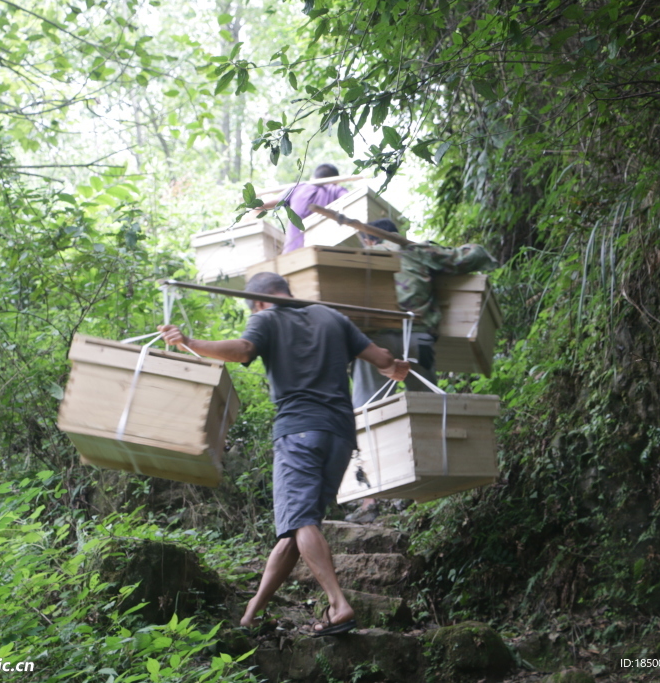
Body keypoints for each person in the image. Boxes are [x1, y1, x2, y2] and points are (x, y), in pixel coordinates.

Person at [158, 272, 409, 636]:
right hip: (339, 434)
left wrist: (190, 342)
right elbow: (384, 360)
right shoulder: (333, 316)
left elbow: (244, 350)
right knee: (297, 527)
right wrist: (396, 368)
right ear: (285, 291)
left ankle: (338, 605)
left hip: (299, 432)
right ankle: (250, 614)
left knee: (301, 521)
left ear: (258, 302)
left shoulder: (267, 318)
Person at [347, 218, 496, 522]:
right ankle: (421, 488)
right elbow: (476, 256)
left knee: (366, 413)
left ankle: (369, 501)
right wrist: (428, 249)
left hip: (374, 345)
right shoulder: (416, 251)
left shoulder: (356, 262)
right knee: (427, 408)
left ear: (366, 240)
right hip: (420, 340)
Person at [259, 163, 349, 253]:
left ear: (313, 177)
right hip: (324, 252)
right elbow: (352, 202)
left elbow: (262, 206)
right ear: (336, 180)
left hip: (292, 253)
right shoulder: (336, 190)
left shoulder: (297, 188)